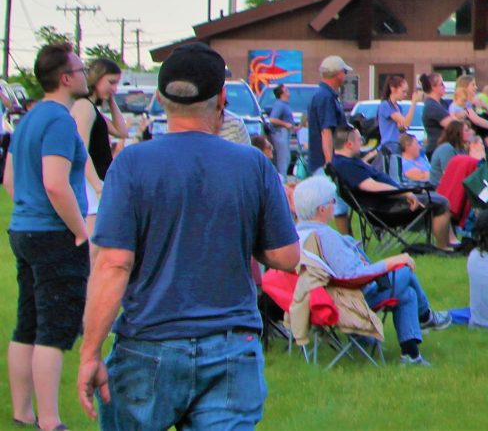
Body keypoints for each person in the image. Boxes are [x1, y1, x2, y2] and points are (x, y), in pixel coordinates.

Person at [77, 43, 299, 430]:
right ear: (222, 99)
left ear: (161, 99)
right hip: (231, 346)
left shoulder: (131, 164)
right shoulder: (252, 166)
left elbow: (113, 263)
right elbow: (285, 256)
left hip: (147, 344)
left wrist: (90, 353)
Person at [7, 42, 91, 431]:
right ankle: (50, 421)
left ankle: (23, 412)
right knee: (53, 329)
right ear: (64, 78)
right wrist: (80, 232)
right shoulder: (59, 120)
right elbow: (57, 185)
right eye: (79, 68)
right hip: (54, 234)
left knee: (27, 323)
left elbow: (9, 179)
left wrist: (30, 208)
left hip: (23, 229)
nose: (84, 73)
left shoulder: (28, 118)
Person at [291, 174, 445, 364]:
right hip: (349, 299)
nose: (334, 205)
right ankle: (425, 316)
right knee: (404, 270)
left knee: (407, 294)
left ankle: (412, 354)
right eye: (332, 201)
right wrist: (391, 262)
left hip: (319, 297)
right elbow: (352, 275)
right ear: (321, 209)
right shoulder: (325, 237)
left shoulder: (296, 234)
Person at [326, 126, 457, 249]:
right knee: (440, 202)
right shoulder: (346, 165)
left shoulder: (347, 160)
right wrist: (404, 193)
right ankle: (443, 247)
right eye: (360, 139)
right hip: (385, 210)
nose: (362, 142)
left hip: (386, 203)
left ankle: (452, 242)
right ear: (349, 144)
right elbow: (371, 186)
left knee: (437, 197)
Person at [73, 57, 126, 235]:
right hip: (90, 183)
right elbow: (81, 149)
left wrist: (111, 101)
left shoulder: (92, 109)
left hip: (98, 179)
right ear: (96, 78)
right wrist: (97, 187)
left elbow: (121, 131)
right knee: (93, 243)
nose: (114, 88)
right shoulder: (84, 107)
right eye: (111, 82)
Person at [305, 55, 351, 176]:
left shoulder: (323, 94)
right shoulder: (325, 97)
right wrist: (329, 163)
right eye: (345, 72)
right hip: (323, 164)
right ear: (338, 74)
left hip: (319, 162)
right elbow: (326, 131)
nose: (345, 75)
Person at [378, 75, 412, 182]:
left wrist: (402, 129)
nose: (405, 95)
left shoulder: (399, 107)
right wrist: (414, 102)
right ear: (393, 88)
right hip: (389, 146)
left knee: (398, 174)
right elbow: (406, 121)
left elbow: (403, 126)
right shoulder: (385, 105)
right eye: (403, 91)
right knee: (394, 177)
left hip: (397, 144)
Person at [265, 83, 298, 180]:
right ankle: (281, 180)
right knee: (283, 159)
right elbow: (272, 119)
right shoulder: (279, 104)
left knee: (285, 158)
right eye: (286, 90)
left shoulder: (284, 105)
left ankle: (282, 179)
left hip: (286, 134)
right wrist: (286, 124)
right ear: (282, 93)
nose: (288, 91)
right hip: (280, 134)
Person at [419, 74, 453, 156]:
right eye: (441, 84)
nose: (444, 87)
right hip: (437, 149)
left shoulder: (442, 103)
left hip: (445, 147)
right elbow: (453, 125)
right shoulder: (432, 106)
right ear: (433, 87)